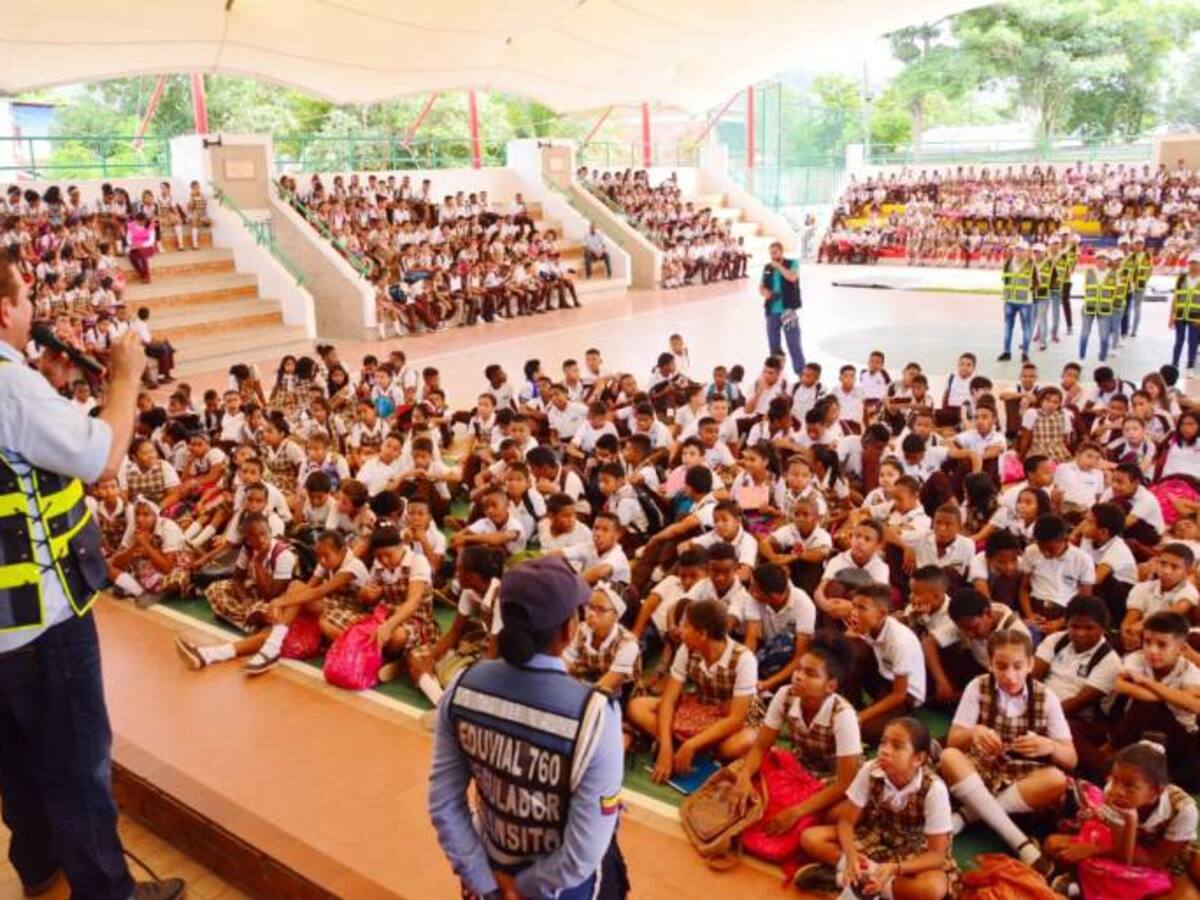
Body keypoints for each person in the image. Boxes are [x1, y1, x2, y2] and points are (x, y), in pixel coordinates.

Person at [0, 258, 183, 898]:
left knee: (17, 767)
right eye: (25, 297)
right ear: (4, 310)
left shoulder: (21, 387)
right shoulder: (11, 389)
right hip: (43, 622)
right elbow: (102, 453)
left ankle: (41, 874)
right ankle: (108, 891)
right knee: (77, 765)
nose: (31, 310)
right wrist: (126, 379)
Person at [428, 556, 629, 900]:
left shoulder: (461, 688)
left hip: (488, 865)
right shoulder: (596, 716)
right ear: (568, 631)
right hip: (559, 889)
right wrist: (521, 888)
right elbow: (582, 854)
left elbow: (444, 804)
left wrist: (484, 880)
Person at [759, 241, 803, 376]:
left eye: (775, 252)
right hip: (772, 311)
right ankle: (776, 374)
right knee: (774, 346)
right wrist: (766, 293)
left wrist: (779, 266)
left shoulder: (792, 263)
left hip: (788, 310)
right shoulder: (767, 267)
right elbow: (761, 286)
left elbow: (792, 277)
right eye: (771, 253)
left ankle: (801, 372)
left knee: (793, 344)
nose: (773, 255)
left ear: (781, 252)